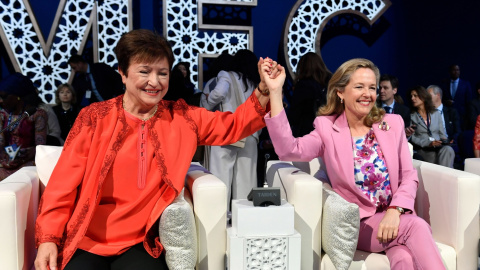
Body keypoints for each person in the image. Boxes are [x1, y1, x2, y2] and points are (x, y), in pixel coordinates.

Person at [34, 29, 271, 270]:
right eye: (144, 72)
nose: (154, 82)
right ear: (123, 74)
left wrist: (264, 90)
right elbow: (62, 185)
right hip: (87, 239)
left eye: (163, 73)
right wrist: (48, 239)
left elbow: (234, 125)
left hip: (140, 241)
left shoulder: (181, 118)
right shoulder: (94, 118)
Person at [263, 58, 445, 269]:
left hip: (396, 218)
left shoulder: (392, 123)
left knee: (403, 258)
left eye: (372, 88)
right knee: (416, 227)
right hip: (361, 224)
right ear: (340, 92)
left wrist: (395, 210)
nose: (367, 94)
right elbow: (288, 149)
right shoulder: (327, 128)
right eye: (359, 87)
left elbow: (408, 176)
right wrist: (275, 93)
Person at [204, 49, 263, 210]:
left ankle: (218, 220)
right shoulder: (253, 82)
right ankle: (245, 221)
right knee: (246, 180)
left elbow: (219, 92)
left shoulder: (226, 74)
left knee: (220, 178)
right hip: (249, 133)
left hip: (227, 131)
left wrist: (207, 103)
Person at [0, 73, 48, 180]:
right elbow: (1, 142)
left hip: (27, 163)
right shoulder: (3, 114)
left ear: (17, 96)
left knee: (21, 177)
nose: (1, 101)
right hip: (6, 162)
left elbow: (40, 147)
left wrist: (24, 155)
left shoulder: (37, 114)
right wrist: (4, 156)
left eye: (4, 97)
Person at [408, 85, 455, 168]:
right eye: (411, 96)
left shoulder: (436, 114)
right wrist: (428, 143)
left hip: (438, 147)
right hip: (424, 149)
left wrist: (446, 141)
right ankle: (444, 178)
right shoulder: (411, 116)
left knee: (448, 150)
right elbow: (412, 137)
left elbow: (442, 134)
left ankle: (444, 178)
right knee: (435, 157)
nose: (412, 98)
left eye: (415, 96)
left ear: (423, 96)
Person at [288, 52, 331, 137]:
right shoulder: (330, 84)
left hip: (308, 132)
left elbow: (294, 114)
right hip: (328, 131)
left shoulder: (303, 85)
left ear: (302, 67)